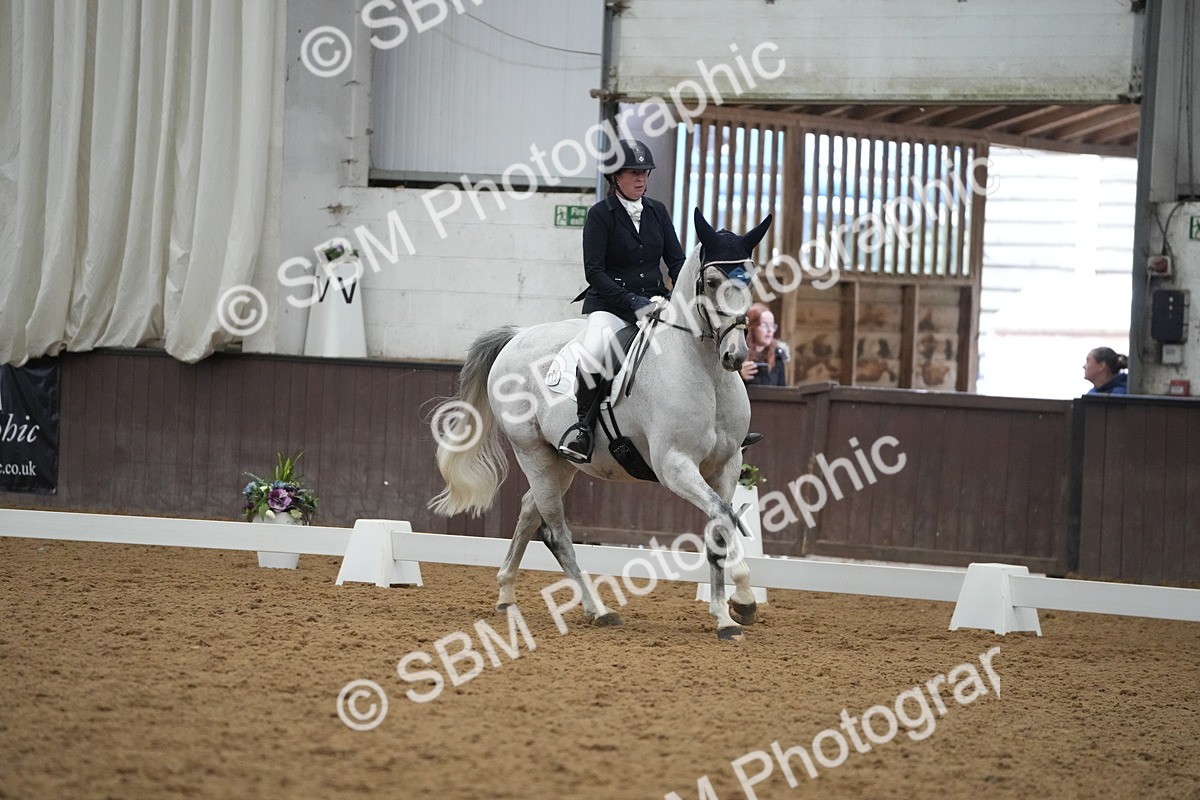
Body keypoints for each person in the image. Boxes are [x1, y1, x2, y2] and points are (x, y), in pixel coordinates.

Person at [558, 139, 686, 463]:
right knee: (593, 353)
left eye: (644, 172)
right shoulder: (601, 215)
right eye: (633, 172)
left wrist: (679, 293)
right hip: (611, 306)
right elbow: (594, 272)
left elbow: (676, 260)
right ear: (615, 176)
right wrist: (630, 300)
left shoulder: (658, 211)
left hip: (656, 304)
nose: (641, 179)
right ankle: (582, 429)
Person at [740, 303, 788, 386]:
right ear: (752, 327)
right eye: (764, 325)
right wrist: (740, 375)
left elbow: (782, 391)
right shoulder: (738, 353)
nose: (770, 330)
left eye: (772, 325)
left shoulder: (778, 355)